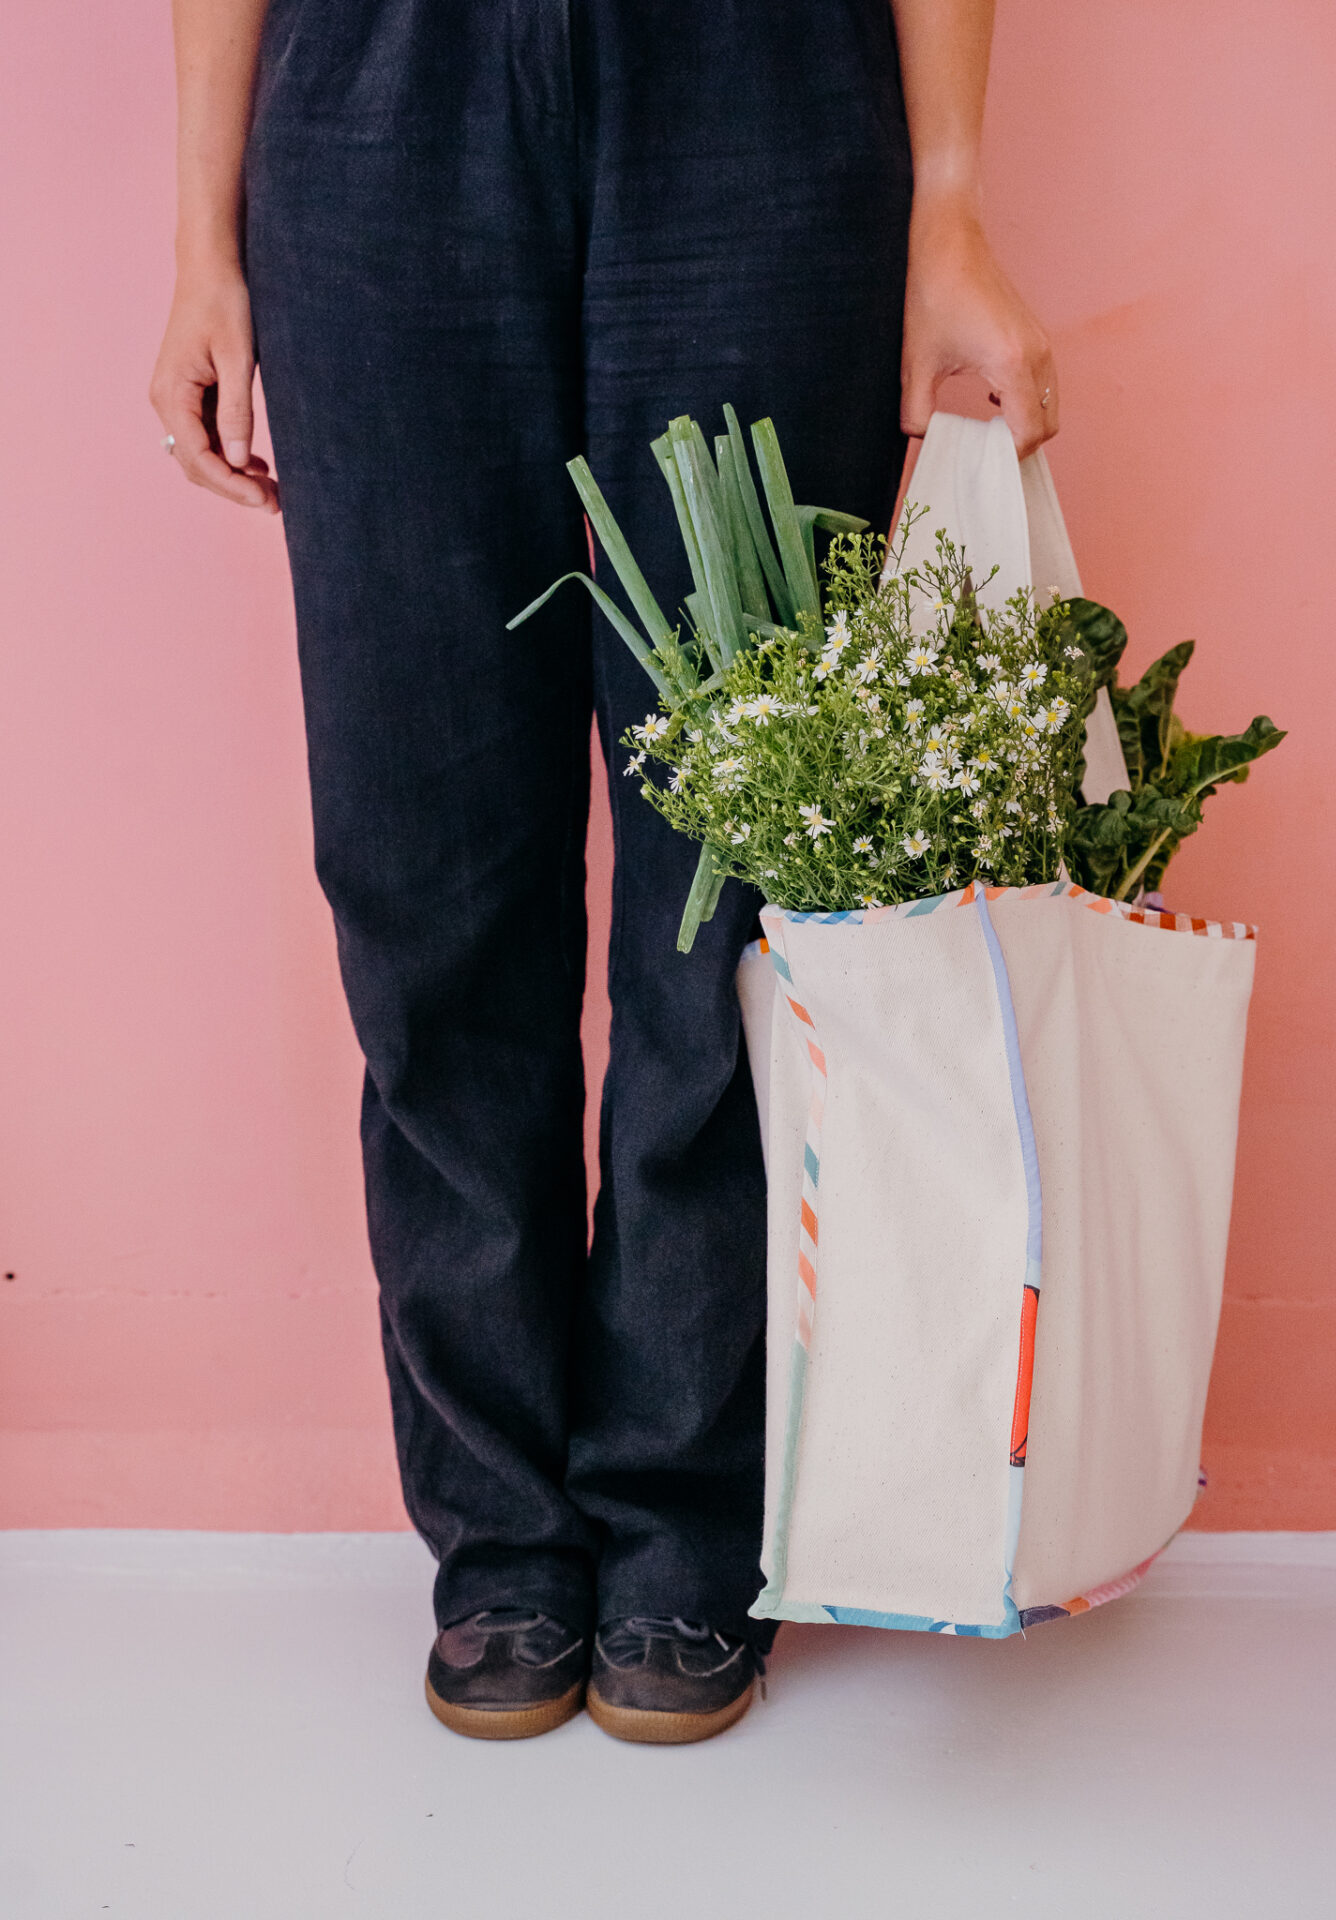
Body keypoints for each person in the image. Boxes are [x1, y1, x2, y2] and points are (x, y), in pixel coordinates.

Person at [151, 0, 1058, 1746]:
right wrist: (203, 236)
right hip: (381, 112)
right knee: (424, 853)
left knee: (734, 861)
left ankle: (680, 1513)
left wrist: (948, 199)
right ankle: (499, 1529)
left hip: (758, 98)